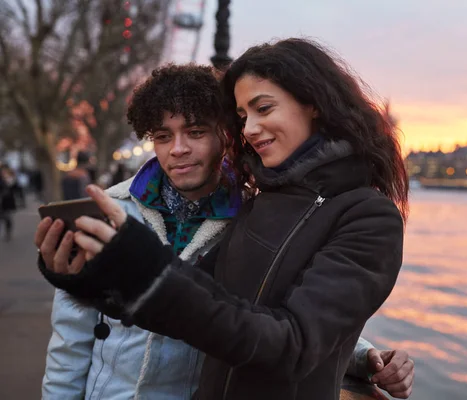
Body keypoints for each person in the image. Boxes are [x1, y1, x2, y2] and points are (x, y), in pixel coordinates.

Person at [36, 63, 414, 399]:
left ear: (224, 136)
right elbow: (70, 344)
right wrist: (79, 279)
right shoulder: (115, 208)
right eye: (163, 136)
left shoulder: (254, 209)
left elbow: (284, 323)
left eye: (196, 132)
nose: (178, 149)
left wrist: (361, 355)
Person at [0, 165, 19, 241]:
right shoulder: (1, 180)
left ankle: (8, 233)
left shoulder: (10, 179)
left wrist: (11, 182)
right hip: (1, 201)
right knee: (3, 217)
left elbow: (15, 188)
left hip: (7, 202)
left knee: (7, 217)